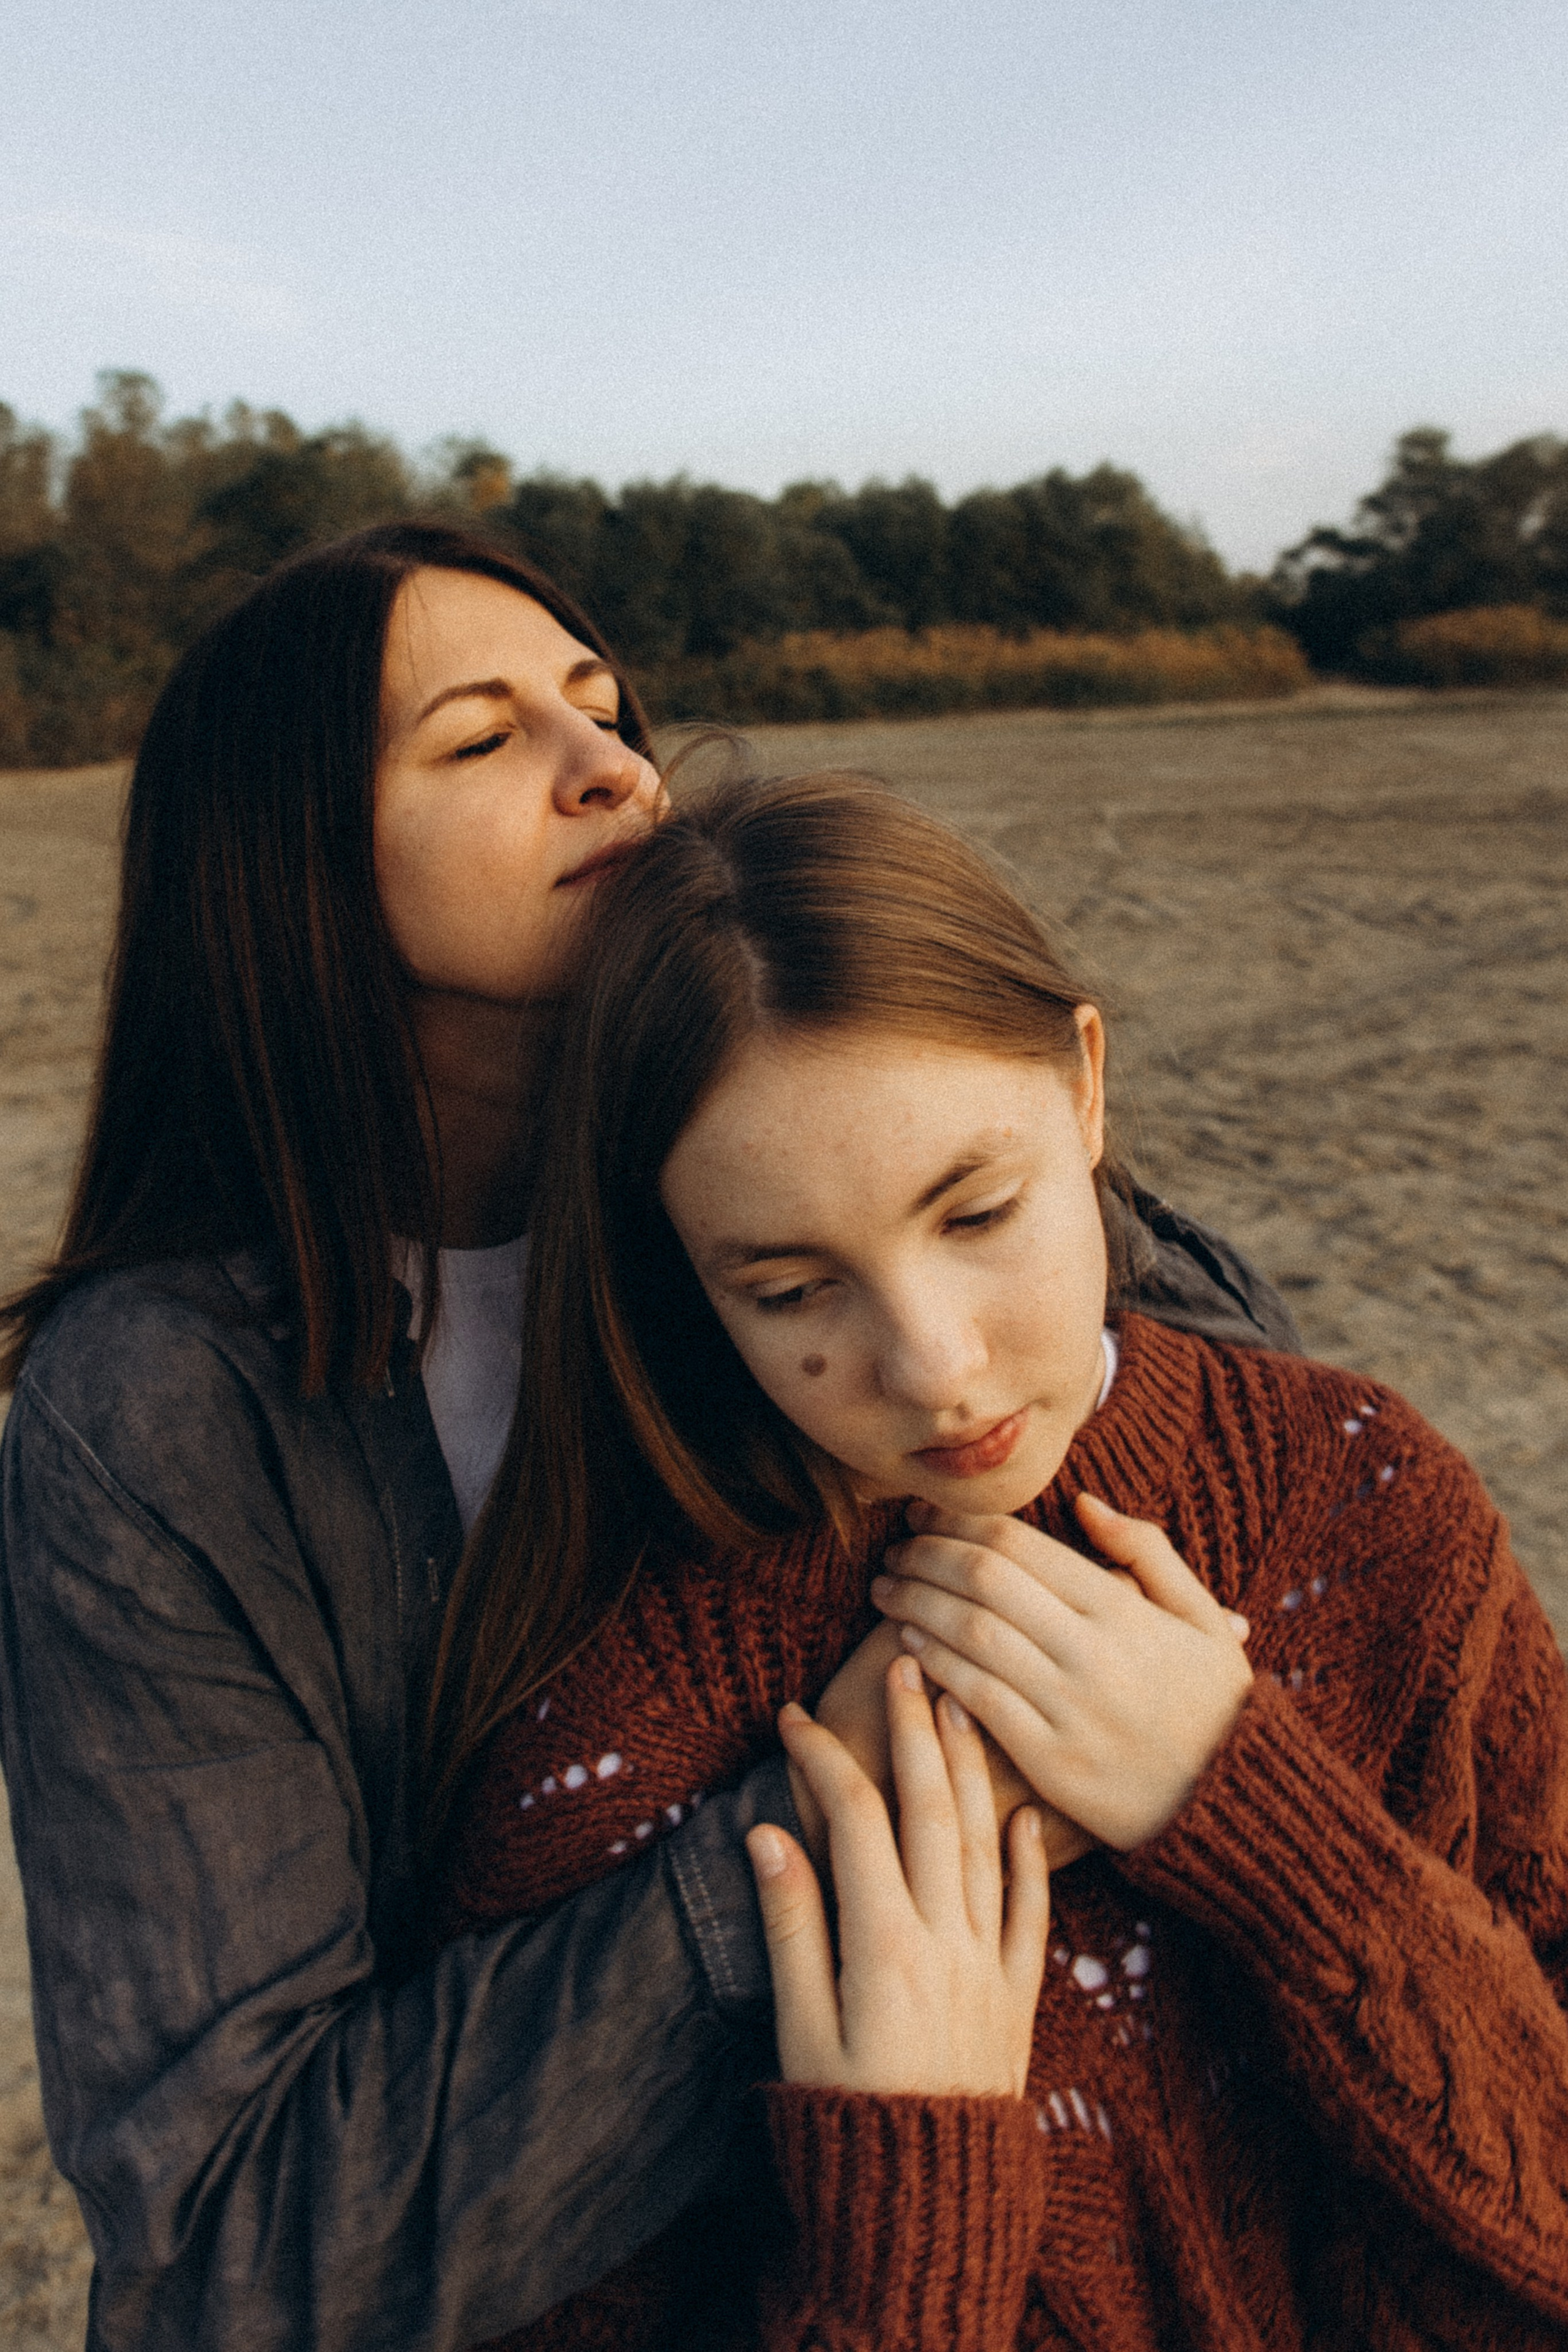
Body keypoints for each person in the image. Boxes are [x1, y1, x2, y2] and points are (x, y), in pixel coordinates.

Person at [0, 524, 1297, 2352]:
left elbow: (1259, 1496)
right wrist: (823, 1834)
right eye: (480, 740)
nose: (612, 768)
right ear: (285, 868)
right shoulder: (160, 1418)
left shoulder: (833, 1142)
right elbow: (235, 2243)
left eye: (604, 709)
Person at [436, 770, 1568, 2350]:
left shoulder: (1373, 1512)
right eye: (788, 1289)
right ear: (678, 1270)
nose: (937, 1367)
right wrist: (911, 2186)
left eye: (976, 1212)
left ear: (1086, 1087)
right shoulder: (617, 1747)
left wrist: (1260, 1821)